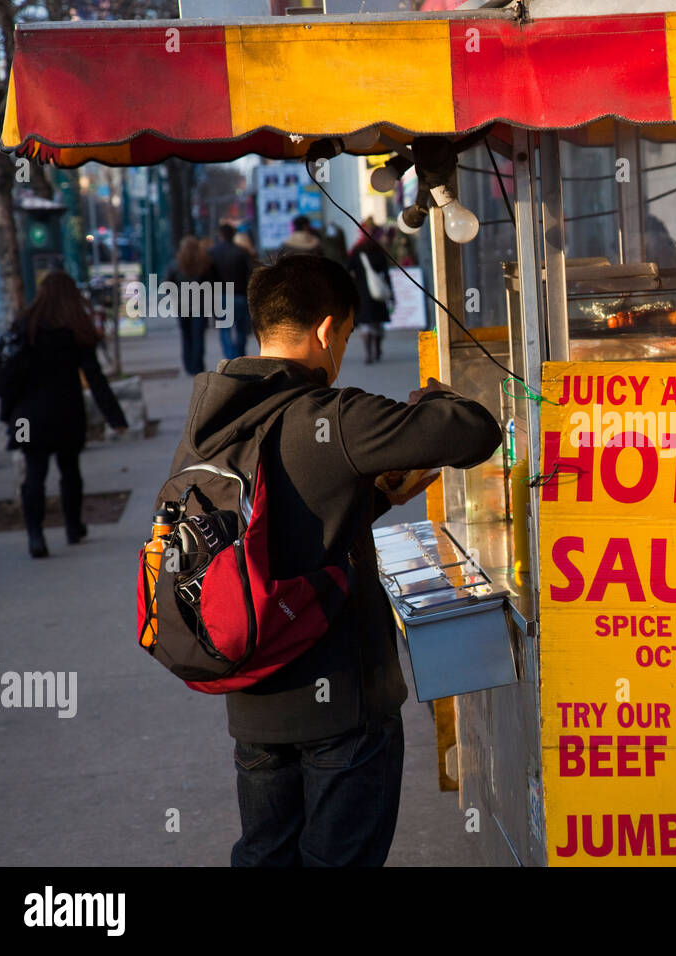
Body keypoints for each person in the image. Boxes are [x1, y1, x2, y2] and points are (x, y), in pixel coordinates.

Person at [169, 254, 501, 866]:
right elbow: (474, 431)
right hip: (343, 701)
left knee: (265, 854)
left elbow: (264, 535)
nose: (342, 351)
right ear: (327, 330)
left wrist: (372, 497)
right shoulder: (334, 416)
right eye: (344, 336)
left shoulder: (209, 424)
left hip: (253, 701)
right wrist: (435, 394)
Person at [0, 271, 128, 558]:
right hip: (66, 414)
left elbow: (9, 376)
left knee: (34, 474)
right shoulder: (74, 329)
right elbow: (96, 378)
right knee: (70, 471)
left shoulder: (24, 326)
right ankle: (73, 527)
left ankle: (35, 535)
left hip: (27, 419)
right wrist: (115, 417)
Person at [347, 219, 393, 364]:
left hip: (362, 293)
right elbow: (386, 273)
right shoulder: (378, 250)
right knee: (377, 323)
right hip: (378, 293)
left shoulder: (356, 251)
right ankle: (378, 349)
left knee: (365, 324)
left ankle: (368, 354)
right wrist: (391, 293)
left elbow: (348, 269)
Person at [168, 236, 216, 375]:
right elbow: (212, 284)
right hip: (200, 306)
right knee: (198, 336)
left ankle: (188, 365)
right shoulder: (205, 264)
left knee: (186, 336)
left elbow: (167, 284)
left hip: (182, 305)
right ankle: (198, 365)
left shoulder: (175, 265)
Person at [209, 223, 254, 360]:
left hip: (221, 295)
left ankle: (230, 357)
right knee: (241, 328)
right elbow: (250, 274)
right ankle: (240, 354)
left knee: (225, 330)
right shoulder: (242, 252)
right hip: (239, 294)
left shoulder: (212, 253)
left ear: (220, 235)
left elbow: (209, 277)